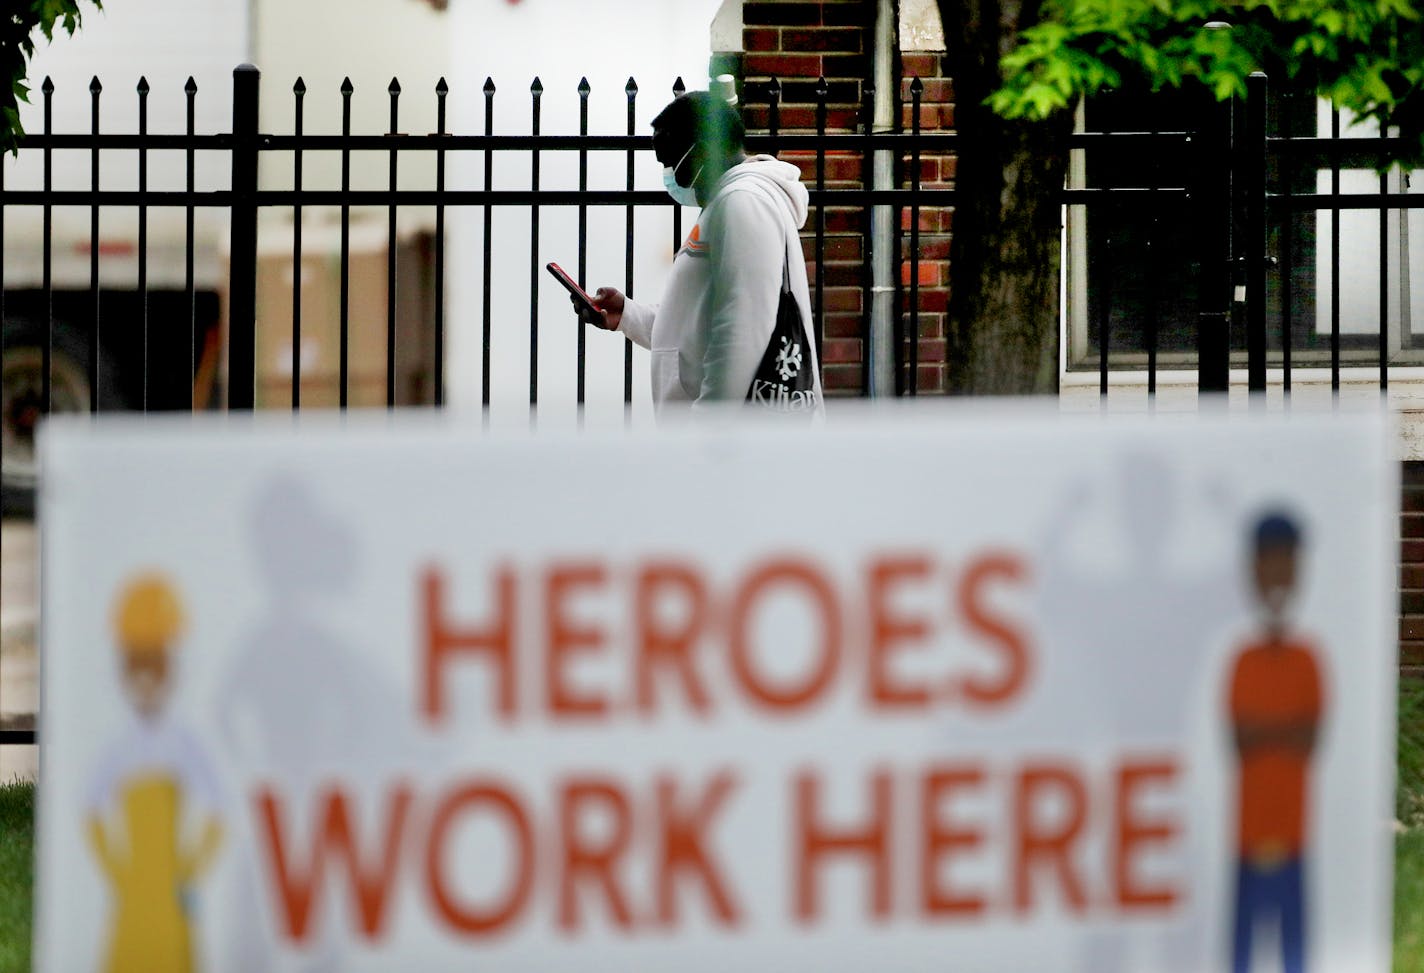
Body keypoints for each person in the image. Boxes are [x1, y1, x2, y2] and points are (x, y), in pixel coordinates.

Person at [576, 90, 824, 415]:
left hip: (738, 447)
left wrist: (707, 428)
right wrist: (627, 315)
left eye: (671, 162)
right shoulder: (728, 203)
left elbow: (743, 327)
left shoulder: (742, 203)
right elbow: (698, 324)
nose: (670, 176)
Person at [87, 573, 224, 973]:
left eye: (156, 666)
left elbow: (217, 804)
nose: (146, 681)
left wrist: (192, 866)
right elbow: (90, 807)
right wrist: (117, 870)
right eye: (136, 666)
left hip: (169, 884)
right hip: (134, 888)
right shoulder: (117, 747)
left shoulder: (185, 742)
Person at [1225, 512, 1326, 973]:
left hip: (1293, 833)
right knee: (1242, 950)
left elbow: (1309, 738)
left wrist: (1268, 729)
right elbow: (1240, 738)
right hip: (1247, 837)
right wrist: (1282, 728)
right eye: (1269, 564)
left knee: (1295, 950)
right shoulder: (1242, 660)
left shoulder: (1308, 660)